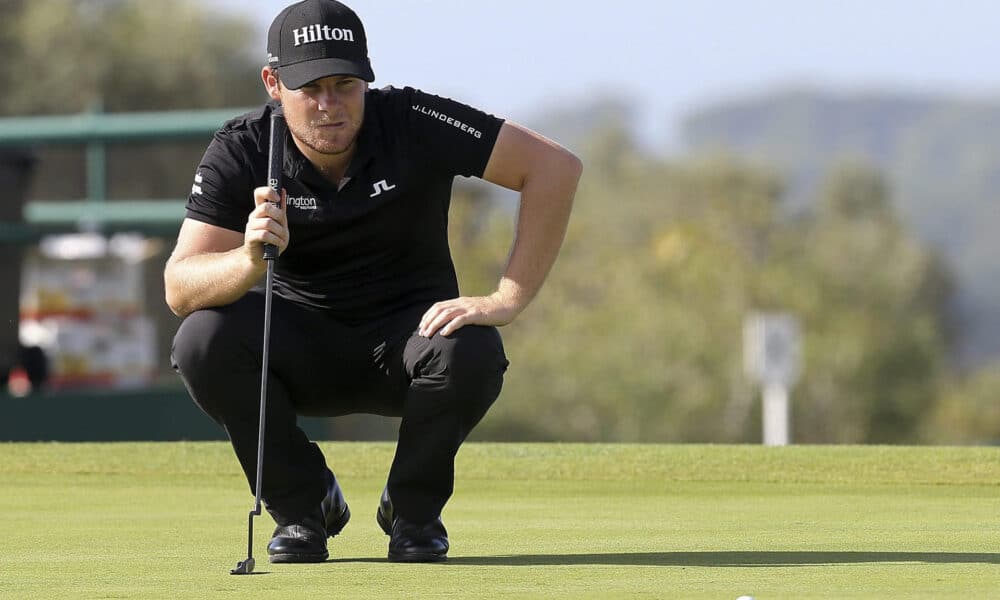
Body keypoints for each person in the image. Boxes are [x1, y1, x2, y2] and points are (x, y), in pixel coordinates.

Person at [166, 0, 581, 564]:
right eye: (310, 88)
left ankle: (413, 512)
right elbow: (179, 287)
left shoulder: (414, 121)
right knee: (202, 340)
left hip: (410, 343)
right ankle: (304, 506)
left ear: (367, 77)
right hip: (301, 348)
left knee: (474, 345)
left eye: (345, 84)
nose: (329, 105)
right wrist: (247, 260)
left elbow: (554, 169)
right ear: (273, 83)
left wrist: (507, 298)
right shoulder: (243, 145)